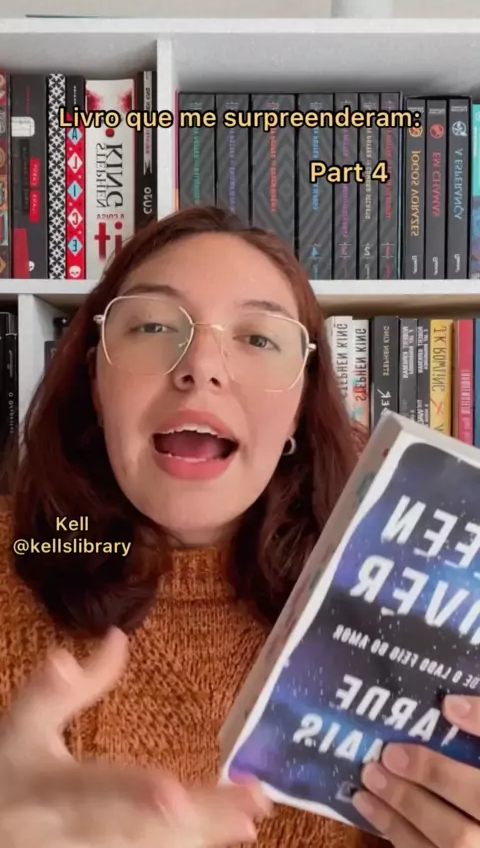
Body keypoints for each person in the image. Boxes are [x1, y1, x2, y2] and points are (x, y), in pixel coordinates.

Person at [0, 206, 478, 848]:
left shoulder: (429, 617)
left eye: (258, 339)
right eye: (152, 325)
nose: (202, 365)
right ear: (95, 382)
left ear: (300, 405)